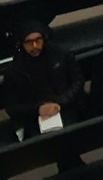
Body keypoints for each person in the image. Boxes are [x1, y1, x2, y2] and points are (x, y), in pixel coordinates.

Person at [4, 21, 84, 172]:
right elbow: (12, 107)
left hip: (66, 108)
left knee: (66, 137)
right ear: (21, 44)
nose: (34, 46)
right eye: (29, 42)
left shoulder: (61, 54)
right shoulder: (14, 71)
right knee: (58, 142)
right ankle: (75, 170)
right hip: (35, 118)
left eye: (38, 40)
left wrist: (62, 101)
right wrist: (38, 109)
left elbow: (77, 80)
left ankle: (71, 170)